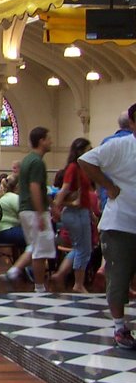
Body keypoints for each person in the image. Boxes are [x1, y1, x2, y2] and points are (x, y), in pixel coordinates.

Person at [79, 105, 136, 348]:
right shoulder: (121, 145)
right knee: (119, 276)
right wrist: (108, 186)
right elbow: (86, 160)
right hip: (120, 224)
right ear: (132, 124)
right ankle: (119, 326)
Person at [51, 137, 94, 293]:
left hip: (81, 211)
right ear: (80, 151)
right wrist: (55, 208)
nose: (91, 152)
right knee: (84, 248)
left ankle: (62, 274)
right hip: (75, 212)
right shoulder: (73, 168)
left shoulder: (82, 167)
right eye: (89, 149)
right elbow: (65, 189)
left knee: (82, 248)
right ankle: (78, 283)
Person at [18, 126, 55, 293]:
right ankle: (39, 287)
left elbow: (38, 188)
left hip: (27, 209)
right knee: (40, 250)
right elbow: (35, 188)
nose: (51, 142)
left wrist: (51, 206)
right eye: (49, 138)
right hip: (34, 210)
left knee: (36, 247)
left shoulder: (27, 160)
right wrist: (41, 214)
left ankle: (35, 283)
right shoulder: (37, 162)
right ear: (41, 141)